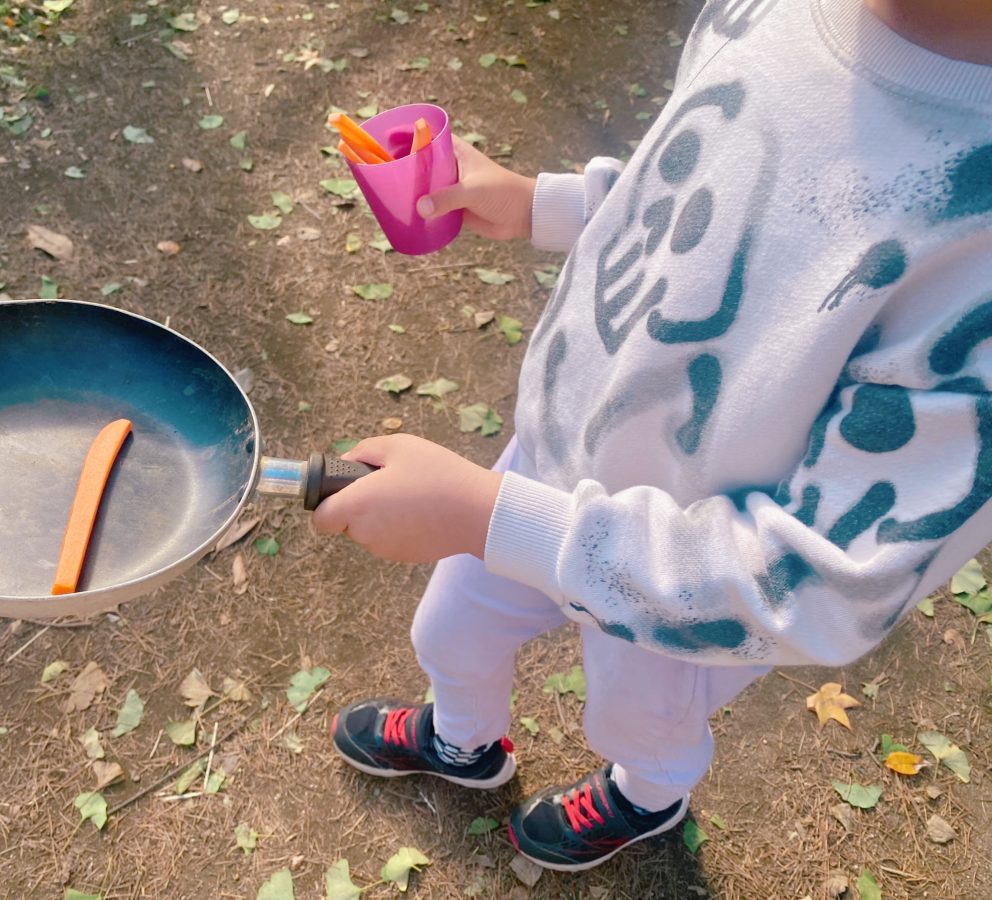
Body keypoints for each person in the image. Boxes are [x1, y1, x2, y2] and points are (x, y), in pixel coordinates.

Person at [313, 0, 992, 872]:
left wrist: (489, 518)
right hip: (549, 457)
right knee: (448, 630)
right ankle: (464, 745)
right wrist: (540, 204)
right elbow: (690, 182)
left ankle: (645, 797)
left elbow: (823, 582)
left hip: (683, 582)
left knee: (642, 722)